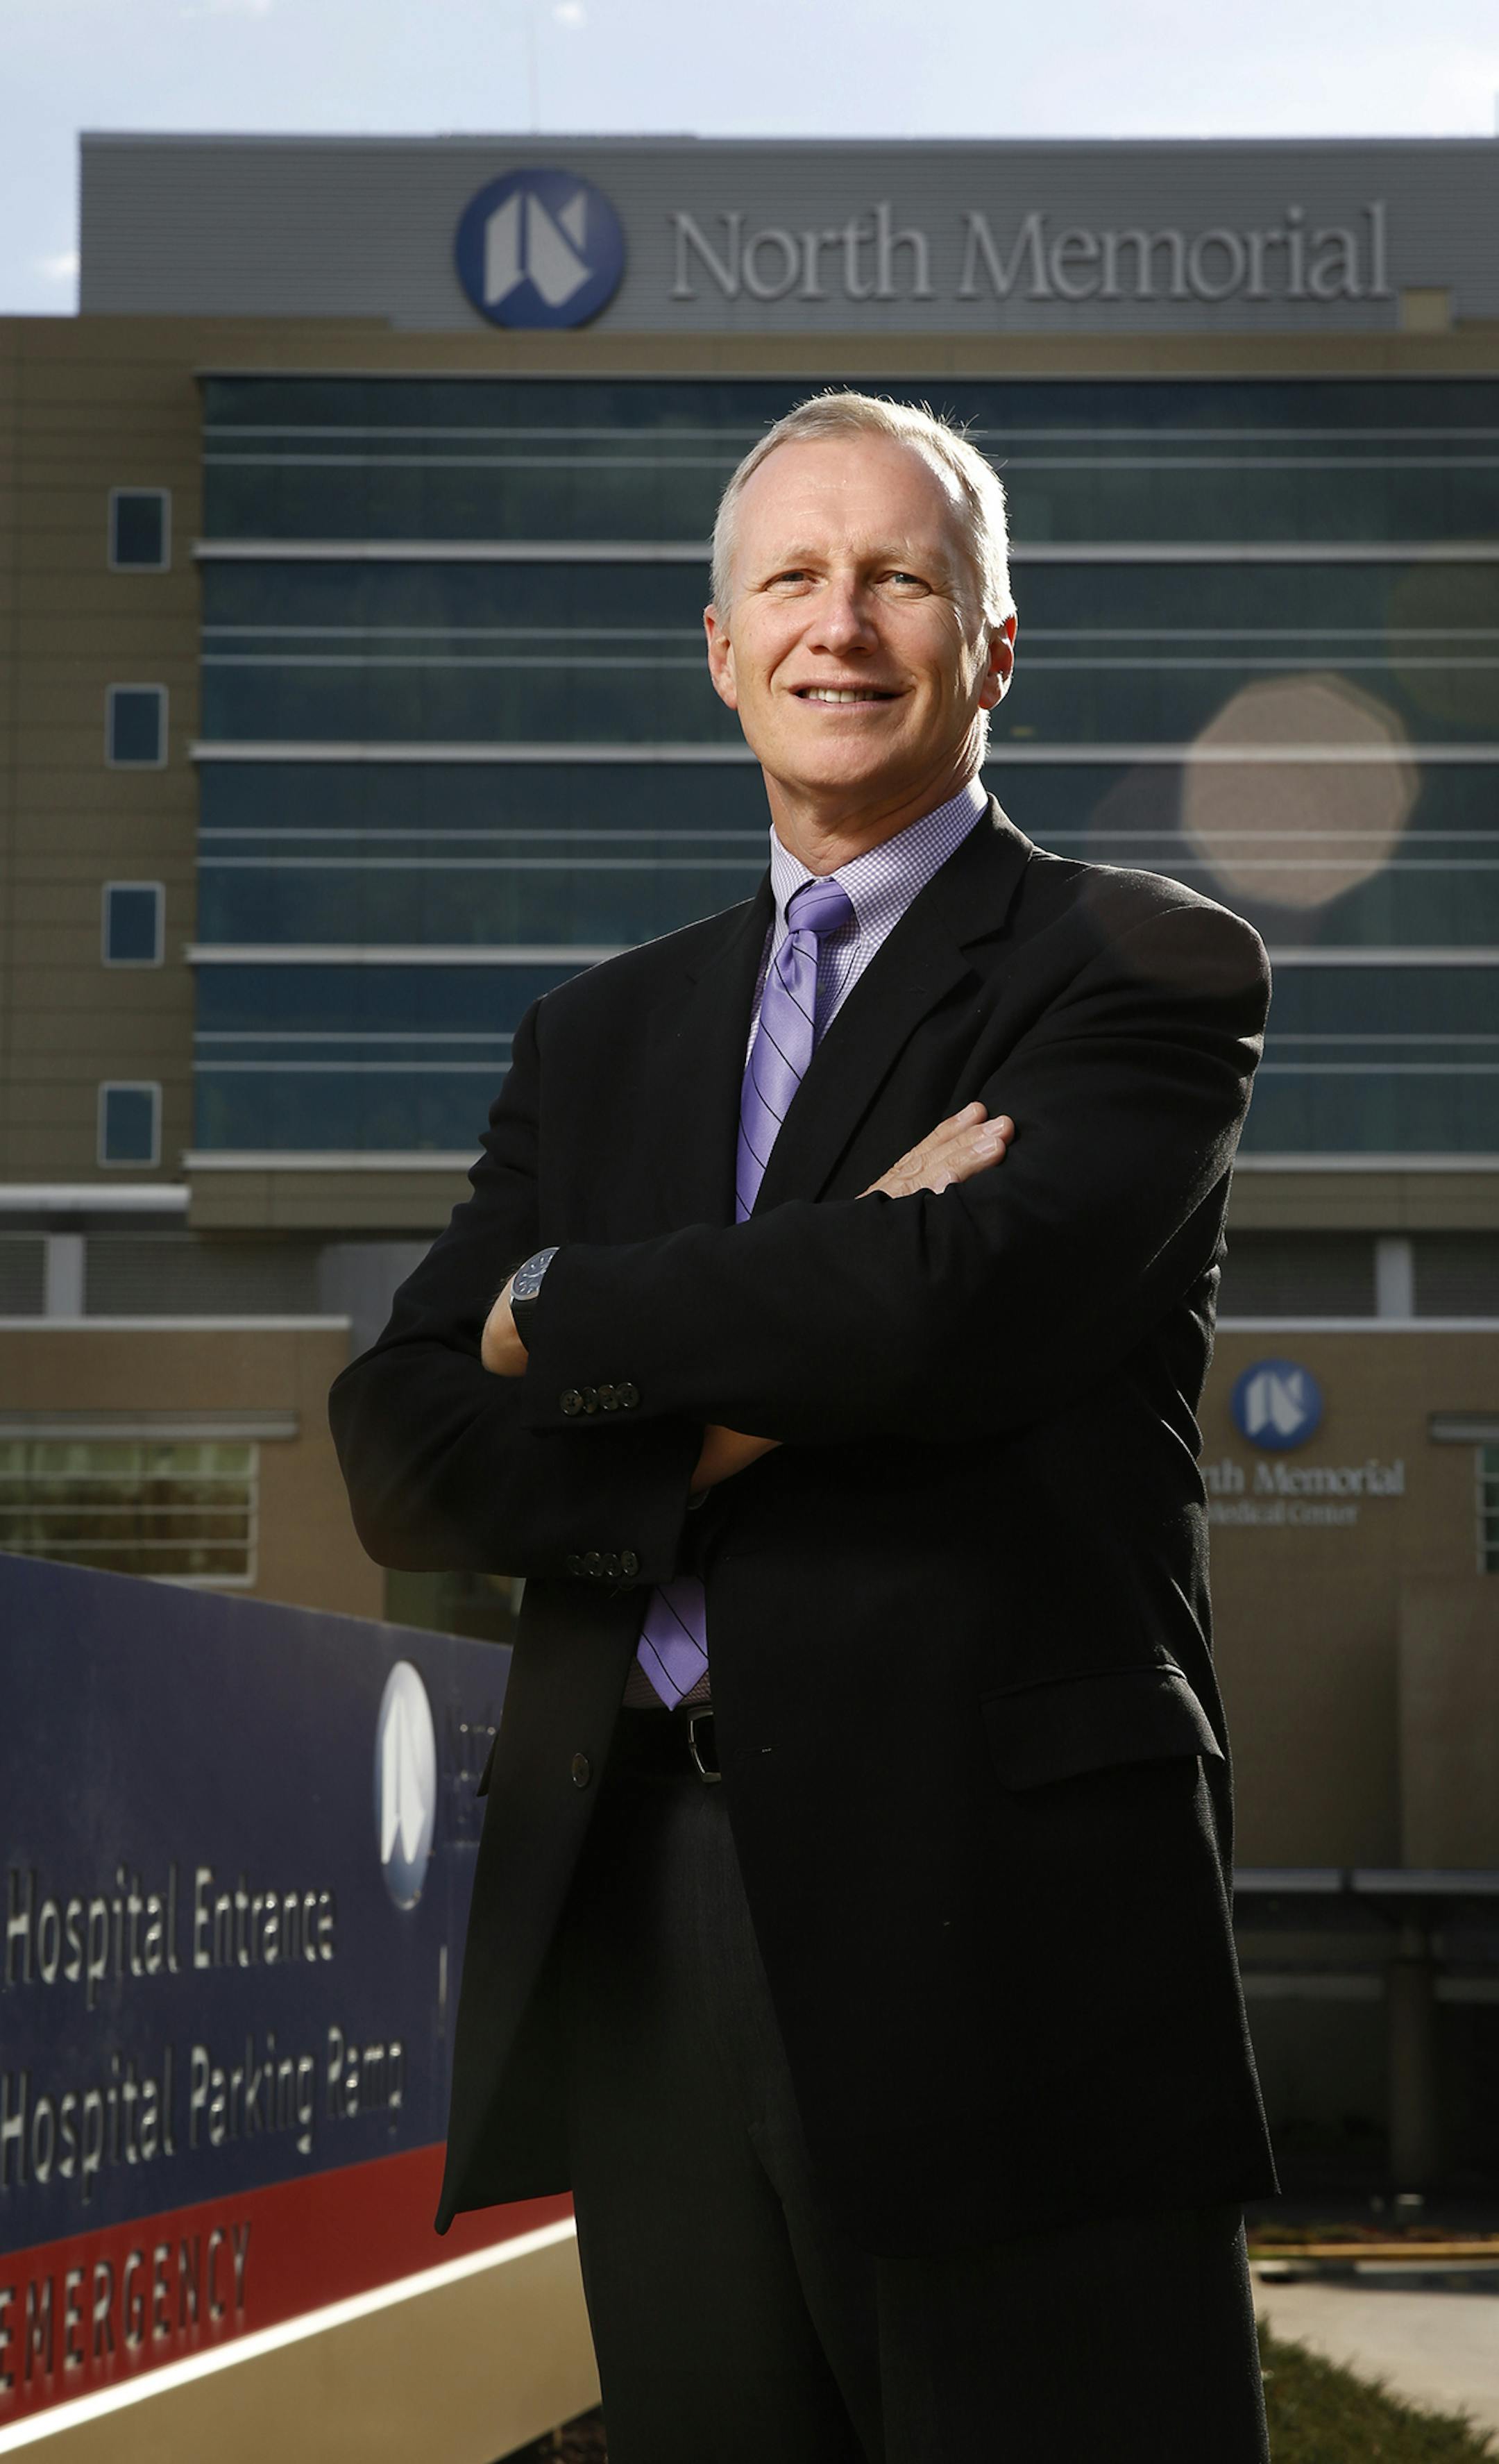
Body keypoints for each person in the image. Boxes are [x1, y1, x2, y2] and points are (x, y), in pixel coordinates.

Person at [330, 391, 1278, 2463]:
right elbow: (401, 1449)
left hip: (996, 1924)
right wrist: (814, 1307)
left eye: (900, 577)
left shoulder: (1142, 965)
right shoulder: (598, 1039)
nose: (841, 623)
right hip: (643, 1901)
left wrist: (562, 1315)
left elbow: (962, 1313)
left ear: (994, 645)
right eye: (792, 577)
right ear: (721, 644)